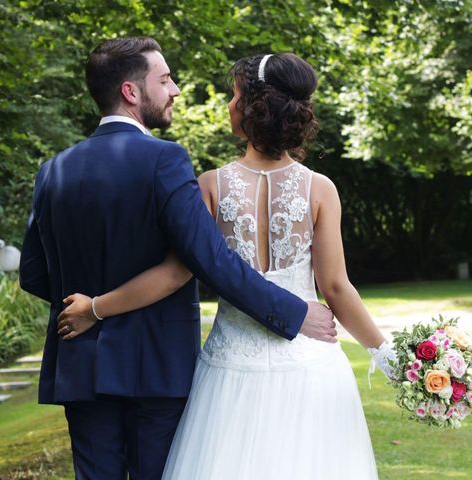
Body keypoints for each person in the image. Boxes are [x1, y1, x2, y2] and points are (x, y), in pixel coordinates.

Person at [58, 53, 397, 479]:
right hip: (310, 363)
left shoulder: (210, 186)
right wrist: (384, 352)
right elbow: (336, 287)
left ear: (254, 108)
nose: (229, 104)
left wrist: (95, 308)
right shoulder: (320, 189)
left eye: (234, 95)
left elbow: (175, 273)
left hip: (229, 373)